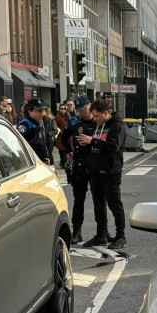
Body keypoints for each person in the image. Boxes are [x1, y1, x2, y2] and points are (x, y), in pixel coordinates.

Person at [76, 99, 127, 249]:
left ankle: (120, 236)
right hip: (95, 171)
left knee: (114, 204)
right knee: (99, 205)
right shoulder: (98, 126)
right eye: (94, 116)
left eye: (97, 116)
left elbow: (113, 146)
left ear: (106, 113)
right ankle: (101, 235)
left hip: (111, 171)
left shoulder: (117, 126)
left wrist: (92, 141)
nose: (95, 119)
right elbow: (95, 144)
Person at [60, 96, 103, 245]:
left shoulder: (97, 122)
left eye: (84, 108)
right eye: (79, 110)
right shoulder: (74, 122)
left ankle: (101, 231)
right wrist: (69, 152)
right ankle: (77, 231)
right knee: (78, 200)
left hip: (95, 164)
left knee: (99, 199)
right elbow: (63, 137)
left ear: (89, 106)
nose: (82, 112)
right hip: (79, 164)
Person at [18, 98, 50, 165]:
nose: (43, 113)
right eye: (39, 111)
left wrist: (46, 157)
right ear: (30, 111)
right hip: (31, 162)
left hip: (41, 161)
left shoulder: (39, 123)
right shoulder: (25, 125)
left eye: (43, 110)